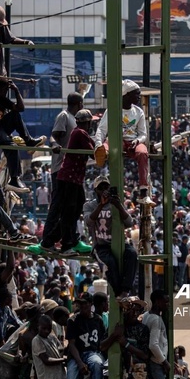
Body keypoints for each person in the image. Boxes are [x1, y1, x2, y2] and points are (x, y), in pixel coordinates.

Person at [35, 109, 96, 256]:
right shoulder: (80, 133)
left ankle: (49, 241)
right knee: (69, 213)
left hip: (73, 179)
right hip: (69, 179)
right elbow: (93, 150)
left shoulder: (80, 133)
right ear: (86, 123)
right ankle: (66, 245)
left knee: (74, 210)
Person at [0, 78, 45, 191]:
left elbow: (20, 108)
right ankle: (14, 179)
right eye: (3, 90)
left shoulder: (2, 100)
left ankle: (28, 140)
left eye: (6, 90)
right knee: (12, 146)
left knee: (15, 115)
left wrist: (16, 90)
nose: (5, 92)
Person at [82, 175, 138, 297]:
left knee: (132, 255)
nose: (104, 191)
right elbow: (89, 222)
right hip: (101, 245)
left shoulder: (117, 203)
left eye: (106, 187)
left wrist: (118, 205)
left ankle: (125, 290)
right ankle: (119, 294)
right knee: (111, 263)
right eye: (100, 188)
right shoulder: (89, 205)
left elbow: (129, 223)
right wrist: (101, 205)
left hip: (119, 242)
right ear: (96, 190)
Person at [93, 80, 151, 197]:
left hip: (133, 141)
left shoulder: (138, 111)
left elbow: (143, 134)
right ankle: (101, 153)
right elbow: (102, 130)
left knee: (143, 153)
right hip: (117, 140)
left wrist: (138, 141)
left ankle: (144, 188)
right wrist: (99, 143)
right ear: (127, 94)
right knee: (107, 146)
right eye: (136, 94)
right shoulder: (112, 110)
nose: (139, 97)